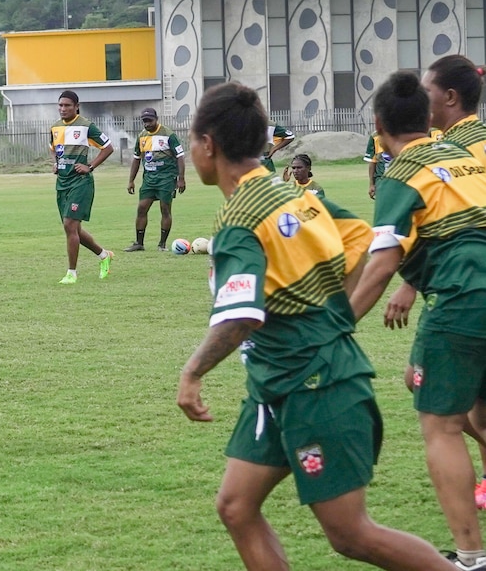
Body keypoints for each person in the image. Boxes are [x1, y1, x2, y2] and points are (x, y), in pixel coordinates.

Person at [177, 81, 457, 571]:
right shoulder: (293, 195)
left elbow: (241, 314)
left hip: (318, 386)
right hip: (276, 384)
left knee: (351, 534)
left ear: (208, 145)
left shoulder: (240, 220)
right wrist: (323, 305)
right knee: (236, 507)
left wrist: (193, 371)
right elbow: (360, 239)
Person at [348, 69, 486, 571]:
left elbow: (381, 264)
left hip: (464, 298)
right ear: (428, 117)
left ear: (378, 124)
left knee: (442, 425)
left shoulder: (401, 172)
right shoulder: (465, 158)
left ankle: (471, 558)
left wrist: (336, 327)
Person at [382, 55, 486, 515]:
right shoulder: (449, 143)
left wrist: (404, 280)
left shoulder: (471, 149)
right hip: (458, 281)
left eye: (426, 91)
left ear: (449, 97)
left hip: (467, 288)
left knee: (448, 405)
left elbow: (463, 219)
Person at [49, 90, 114, 284]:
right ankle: (104, 255)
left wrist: (90, 166)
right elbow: (53, 149)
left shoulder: (86, 126)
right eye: (60, 105)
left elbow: (108, 147)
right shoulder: (55, 127)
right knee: (73, 229)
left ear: (76, 106)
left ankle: (72, 273)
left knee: (70, 225)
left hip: (80, 183)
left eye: (67, 105)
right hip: (62, 183)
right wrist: (55, 163)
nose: (63, 109)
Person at [123, 107, 186, 252]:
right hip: (149, 180)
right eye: (144, 121)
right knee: (142, 208)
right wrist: (131, 180)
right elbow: (136, 159)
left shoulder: (168, 135)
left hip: (166, 178)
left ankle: (162, 245)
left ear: (156, 119)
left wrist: (181, 178)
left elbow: (180, 157)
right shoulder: (142, 136)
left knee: (165, 209)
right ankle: (139, 243)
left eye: (149, 120)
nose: (147, 124)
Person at [364, 131, 392, 199]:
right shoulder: (375, 136)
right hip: (381, 181)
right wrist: (371, 184)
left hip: (400, 181)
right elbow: (372, 161)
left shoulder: (406, 134)